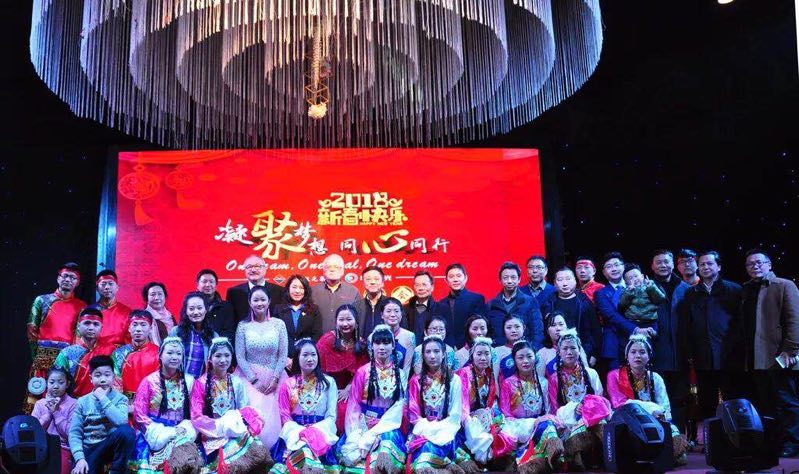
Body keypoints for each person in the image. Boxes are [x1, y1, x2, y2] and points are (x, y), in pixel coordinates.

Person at [728, 249, 799, 457]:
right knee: (766, 403)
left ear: (769, 264)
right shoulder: (746, 289)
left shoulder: (784, 285)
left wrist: (790, 350)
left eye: (759, 262)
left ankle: (793, 442)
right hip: (755, 358)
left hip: (780, 356)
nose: (755, 266)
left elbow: (795, 321)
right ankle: (775, 442)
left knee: (787, 402)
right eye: (750, 264)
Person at [190, 337, 272, 473]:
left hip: (235, 431)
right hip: (212, 435)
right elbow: (196, 417)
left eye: (227, 355)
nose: (223, 360)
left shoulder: (237, 382)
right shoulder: (201, 383)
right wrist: (221, 426)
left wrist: (236, 425)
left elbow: (244, 410)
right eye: (218, 356)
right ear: (210, 358)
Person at [606, 334, 688, 465]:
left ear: (649, 356)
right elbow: (619, 403)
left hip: (654, 420)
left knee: (673, 433)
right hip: (627, 420)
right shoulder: (614, 376)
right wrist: (651, 410)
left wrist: (661, 414)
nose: (637, 356)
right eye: (633, 352)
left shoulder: (655, 378)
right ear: (627, 356)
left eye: (642, 352)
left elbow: (664, 405)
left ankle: (666, 454)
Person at [336, 325, 407, 474]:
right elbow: (354, 404)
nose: (382, 347)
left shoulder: (400, 374)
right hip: (363, 423)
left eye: (386, 343)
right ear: (371, 346)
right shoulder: (363, 372)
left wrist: (380, 425)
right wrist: (356, 430)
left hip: (387, 426)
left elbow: (399, 405)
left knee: (384, 458)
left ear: (393, 346)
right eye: (377, 343)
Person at [680, 250, 741, 421]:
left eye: (709, 263)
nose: (705, 267)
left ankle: (736, 436)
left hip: (730, 356)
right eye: (702, 264)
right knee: (707, 402)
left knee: (733, 400)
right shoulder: (691, 293)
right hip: (703, 357)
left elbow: (741, 324)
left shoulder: (734, 290)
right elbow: (687, 326)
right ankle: (711, 436)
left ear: (719, 266)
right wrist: (689, 352)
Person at [131, 337, 201, 473]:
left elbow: (196, 411)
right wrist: (162, 432)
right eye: (169, 353)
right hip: (155, 431)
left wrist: (184, 428)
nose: (174, 357)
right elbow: (139, 414)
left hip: (181, 430)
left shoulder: (190, 381)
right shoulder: (149, 381)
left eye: (178, 353)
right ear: (160, 355)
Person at [270, 338, 341, 474]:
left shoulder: (329, 383)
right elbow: (285, 415)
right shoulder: (288, 384)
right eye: (305, 355)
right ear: (297, 358)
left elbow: (331, 415)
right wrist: (300, 432)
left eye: (313, 355)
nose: (310, 359)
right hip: (295, 434)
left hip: (320, 434)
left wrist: (314, 431)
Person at [406, 335, 472, 474]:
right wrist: (429, 429)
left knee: (430, 451)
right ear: (423, 356)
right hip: (422, 430)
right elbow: (414, 414)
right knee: (423, 456)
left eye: (436, 351)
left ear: (443, 354)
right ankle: (444, 465)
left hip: (446, 431)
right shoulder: (416, 381)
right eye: (428, 352)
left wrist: (439, 429)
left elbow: (455, 415)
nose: (432, 356)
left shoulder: (454, 380)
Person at [25, 262, 86, 413]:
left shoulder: (81, 306)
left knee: (63, 401)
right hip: (42, 358)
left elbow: (78, 336)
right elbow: (32, 330)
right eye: (65, 276)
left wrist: (71, 360)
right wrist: (36, 356)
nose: (68, 280)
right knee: (37, 396)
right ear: (58, 278)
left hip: (65, 358)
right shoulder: (42, 300)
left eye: (73, 277)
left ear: (77, 282)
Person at [234, 285, 288, 450]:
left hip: (275, 377)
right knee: (251, 417)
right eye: (255, 300)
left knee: (276, 418)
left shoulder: (279, 324)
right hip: (248, 378)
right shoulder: (243, 326)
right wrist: (254, 380)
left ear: (269, 301)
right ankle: (250, 452)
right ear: (250, 302)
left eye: (263, 299)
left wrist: (275, 378)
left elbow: (283, 355)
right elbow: (240, 356)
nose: (259, 303)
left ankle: (275, 453)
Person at [547, 329, 608, 470]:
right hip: (568, 421)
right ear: (559, 352)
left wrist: (587, 408)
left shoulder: (591, 373)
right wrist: (573, 409)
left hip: (592, 418)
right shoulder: (554, 378)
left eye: (573, 348)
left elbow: (600, 399)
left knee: (602, 424)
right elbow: (554, 408)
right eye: (565, 348)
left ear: (579, 350)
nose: (569, 352)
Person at [499, 340, 564, 474]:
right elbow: (506, 415)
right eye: (520, 357)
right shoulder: (507, 383)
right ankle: (549, 458)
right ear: (514, 360)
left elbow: (549, 410)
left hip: (540, 425)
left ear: (536, 358)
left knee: (549, 425)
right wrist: (531, 423)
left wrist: (542, 420)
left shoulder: (544, 382)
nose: (526, 361)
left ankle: (553, 455)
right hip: (518, 428)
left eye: (529, 356)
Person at [68, 355, 136, 474]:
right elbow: (74, 433)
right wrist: (79, 458)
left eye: (107, 375)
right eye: (98, 375)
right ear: (91, 378)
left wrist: (103, 399)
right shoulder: (82, 401)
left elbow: (121, 422)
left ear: (113, 377)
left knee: (127, 431)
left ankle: (117, 471)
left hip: (109, 447)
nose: (103, 380)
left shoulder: (121, 399)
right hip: (89, 449)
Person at [649, 249, 691, 432]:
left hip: (680, 354)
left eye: (666, 261)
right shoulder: (647, 288)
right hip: (656, 353)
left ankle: (679, 436)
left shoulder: (686, 289)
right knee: (657, 399)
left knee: (680, 398)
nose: (663, 265)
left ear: (673, 264)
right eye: (658, 262)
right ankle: (661, 437)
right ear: (652, 266)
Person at [456, 337, 513, 470]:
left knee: (502, 422)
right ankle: (482, 459)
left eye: (487, 354)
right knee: (474, 427)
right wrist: (472, 418)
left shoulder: (488, 374)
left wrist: (489, 415)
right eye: (479, 354)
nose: (483, 358)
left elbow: (490, 402)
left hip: (482, 414)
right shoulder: (464, 373)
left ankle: (497, 457)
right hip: (465, 416)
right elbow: (462, 404)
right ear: (472, 355)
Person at [317, 304, 369, 434]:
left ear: (356, 322)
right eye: (341, 320)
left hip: (352, 389)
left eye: (349, 319)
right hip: (327, 387)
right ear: (336, 322)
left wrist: (349, 388)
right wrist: (331, 390)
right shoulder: (326, 341)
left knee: (346, 408)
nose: (345, 324)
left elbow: (362, 373)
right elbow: (317, 368)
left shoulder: (361, 344)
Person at [541, 267, 601, 366]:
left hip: (583, 351)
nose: (565, 283)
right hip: (554, 353)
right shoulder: (549, 303)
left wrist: (595, 354)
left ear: (575, 281)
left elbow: (596, 330)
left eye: (568, 279)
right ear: (555, 283)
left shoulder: (584, 302)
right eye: (560, 280)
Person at [54, 308, 115, 397]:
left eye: (96, 324)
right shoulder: (67, 353)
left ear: (101, 328)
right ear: (78, 326)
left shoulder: (111, 351)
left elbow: (116, 380)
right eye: (87, 323)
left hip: (104, 401)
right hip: (74, 402)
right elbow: (57, 380)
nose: (91, 328)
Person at [486, 262, 544, 349]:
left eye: (513, 277)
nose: (509, 281)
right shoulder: (491, 305)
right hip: (499, 352)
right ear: (500, 280)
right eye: (505, 278)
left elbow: (537, 331)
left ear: (519, 279)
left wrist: (532, 351)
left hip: (524, 351)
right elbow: (488, 333)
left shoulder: (530, 302)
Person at [111, 310, 159, 411]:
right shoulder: (118, 354)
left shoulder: (159, 353)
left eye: (143, 325)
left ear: (150, 328)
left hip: (150, 408)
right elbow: (115, 384)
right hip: (124, 407)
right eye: (135, 324)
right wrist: (123, 406)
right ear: (129, 328)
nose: (138, 329)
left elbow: (160, 386)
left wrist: (142, 407)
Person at [31, 367, 77, 474]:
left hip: (63, 448)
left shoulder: (74, 404)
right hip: (40, 447)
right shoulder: (40, 404)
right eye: (52, 382)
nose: (56, 386)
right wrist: (48, 414)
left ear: (67, 384)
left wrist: (56, 413)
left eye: (60, 382)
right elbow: (33, 431)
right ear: (47, 383)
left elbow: (71, 433)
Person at [595, 251, 633, 372]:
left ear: (623, 267)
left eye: (617, 264)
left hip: (638, 342)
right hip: (614, 345)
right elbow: (611, 315)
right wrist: (636, 329)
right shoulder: (600, 293)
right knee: (616, 379)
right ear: (604, 272)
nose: (614, 269)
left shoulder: (636, 286)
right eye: (609, 266)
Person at [275, 274, 322, 371]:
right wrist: (285, 359)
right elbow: (274, 337)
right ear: (288, 289)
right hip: (283, 362)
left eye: (301, 288)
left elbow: (317, 335)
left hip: (307, 360)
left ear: (306, 290)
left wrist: (305, 356)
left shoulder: (314, 310)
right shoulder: (278, 309)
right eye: (294, 287)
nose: (297, 291)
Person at [435, 263, 486, 348]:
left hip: (470, 347)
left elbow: (479, 326)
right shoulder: (441, 303)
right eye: (451, 277)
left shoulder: (476, 299)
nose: (455, 279)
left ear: (465, 278)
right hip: (447, 348)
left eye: (458, 276)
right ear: (446, 280)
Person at [170, 292, 217, 379]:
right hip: (178, 382)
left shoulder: (214, 336)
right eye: (191, 309)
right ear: (186, 311)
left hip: (201, 385)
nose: (195, 312)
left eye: (199, 308)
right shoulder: (176, 332)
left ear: (206, 310)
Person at [226, 255, 283, 326]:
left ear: (265, 268)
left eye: (257, 266)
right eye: (249, 267)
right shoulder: (233, 293)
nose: (253, 270)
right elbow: (230, 320)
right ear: (245, 270)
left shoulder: (280, 291)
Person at [311, 254, 361, 334]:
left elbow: (358, 319)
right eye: (328, 267)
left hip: (345, 339)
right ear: (324, 271)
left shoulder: (353, 291)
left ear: (342, 271)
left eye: (336, 267)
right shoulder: (313, 291)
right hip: (318, 339)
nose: (332, 269)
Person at [90, 270, 132, 348]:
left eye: (110, 284)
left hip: (119, 353)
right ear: (97, 288)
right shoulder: (88, 311)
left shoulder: (127, 312)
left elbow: (131, 342)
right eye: (103, 284)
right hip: (94, 352)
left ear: (117, 288)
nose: (107, 287)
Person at [618, 263, 665, 333]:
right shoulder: (626, 291)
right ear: (626, 282)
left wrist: (651, 288)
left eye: (636, 276)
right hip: (633, 321)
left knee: (653, 333)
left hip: (650, 320)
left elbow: (660, 299)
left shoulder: (650, 285)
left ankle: (652, 334)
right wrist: (629, 292)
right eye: (630, 278)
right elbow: (622, 304)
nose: (634, 279)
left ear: (642, 276)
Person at [378, 297, 416, 379]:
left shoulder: (410, 336)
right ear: (382, 315)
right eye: (388, 311)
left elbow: (407, 367)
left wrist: (402, 384)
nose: (392, 315)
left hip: (402, 380)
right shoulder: (372, 337)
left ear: (401, 314)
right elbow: (375, 365)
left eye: (396, 311)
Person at [196, 268, 236, 342]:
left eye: (211, 282)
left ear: (216, 285)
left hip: (219, 346)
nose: (208, 285)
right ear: (197, 285)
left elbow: (228, 332)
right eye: (204, 281)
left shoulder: (226, 307)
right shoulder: (191, 305)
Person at [402, 270, 439, 342]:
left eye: (424, 284)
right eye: (417, 285)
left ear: (432, 287)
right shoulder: (404, 309)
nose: (421, 288)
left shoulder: (441, 309)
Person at [355, 266, 389, 337]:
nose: (372, 282)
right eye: (368, 279)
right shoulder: (355, 307)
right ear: (363, 283)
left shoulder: (391, 304)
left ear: (383, 282)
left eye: (376, 279)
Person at [493, 314, 527, 384]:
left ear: (524, 328)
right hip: (505, 390)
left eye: (517, 326)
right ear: (504, 330)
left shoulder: (531, 350)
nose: (513, 330)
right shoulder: (497, 351)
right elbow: (494, 378)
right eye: (509, 327)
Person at [537, 311, 568, 379]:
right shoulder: (542, 353)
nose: (558, 328)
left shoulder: (576, 348)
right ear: (547, 331)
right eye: (553, 325)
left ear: (566, 327)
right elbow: (540, 380)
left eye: (561, 324)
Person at [142, 281, 174, 345]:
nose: (157, 298)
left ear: (165, 296)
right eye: (153, 294)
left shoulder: (170, 316)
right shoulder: (144, 318)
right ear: (146, 298)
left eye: (160, 294)